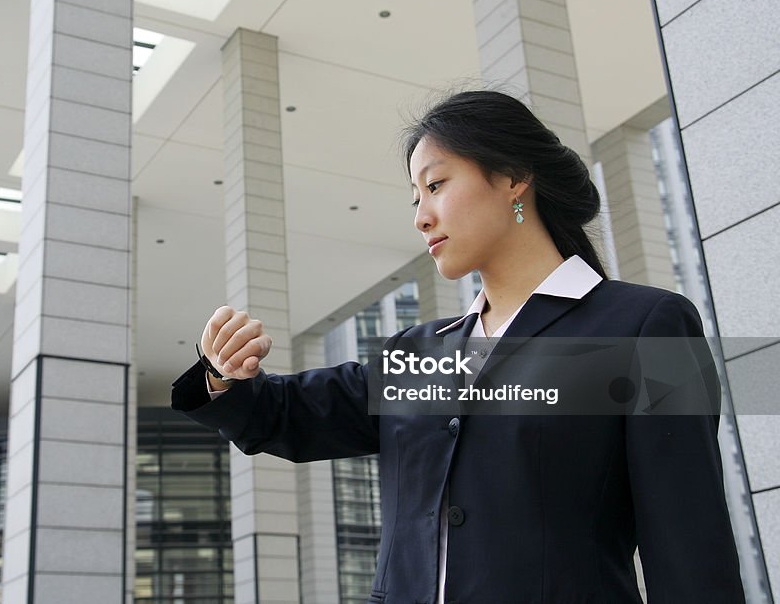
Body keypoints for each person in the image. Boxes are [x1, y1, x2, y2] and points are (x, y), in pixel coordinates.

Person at [170, 90, 745, 603]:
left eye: (437, 185)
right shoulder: (418, 352)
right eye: (415, 198)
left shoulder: (643, 325)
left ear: (514, 176)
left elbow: (688, 541)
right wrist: (223, 373)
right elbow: (285, 414)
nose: (422, 218)